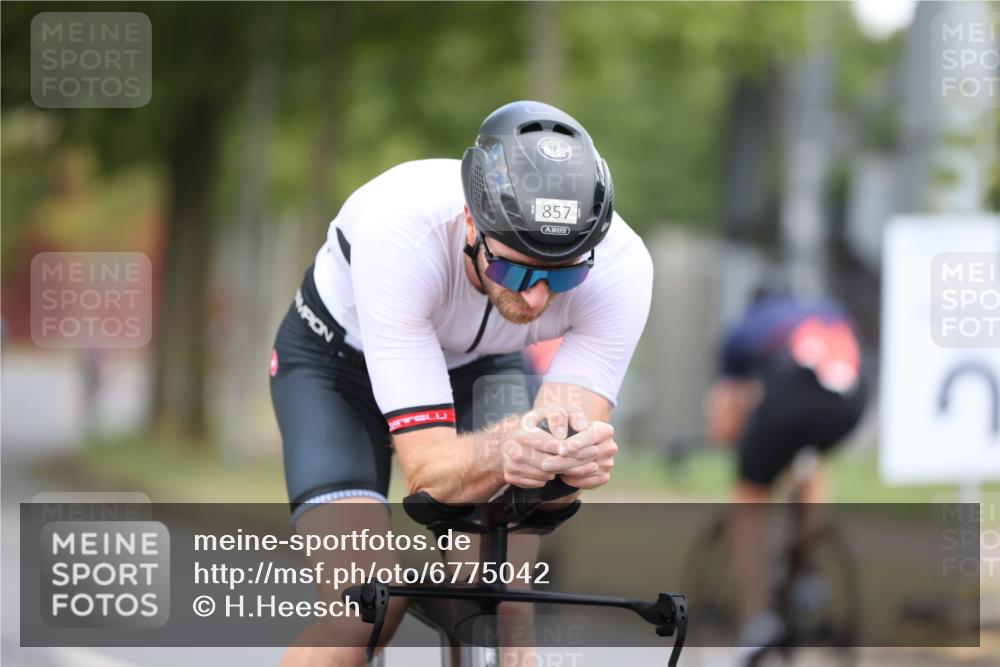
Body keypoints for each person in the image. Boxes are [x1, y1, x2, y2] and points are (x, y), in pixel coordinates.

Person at [269, 100, 653, 666]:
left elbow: (555, 463)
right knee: (367, 606)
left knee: (505, 609)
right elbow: (430, 475)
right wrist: (508, 449)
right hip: (336, 369)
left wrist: (570, 468)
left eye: (563, 273)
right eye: (515, 269)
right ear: (472, 223)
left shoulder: (622, 267)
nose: (536, 297)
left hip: (480, 367)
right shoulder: (400, 227)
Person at [703, 282, 869, 661]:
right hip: (855, 398)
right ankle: (808, 569)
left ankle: (754, 623)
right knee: (810, 457)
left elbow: (725, 424)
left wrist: (743, 445)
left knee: (749, 497)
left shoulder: (742, 330)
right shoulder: (826, 307)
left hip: (791, 394)